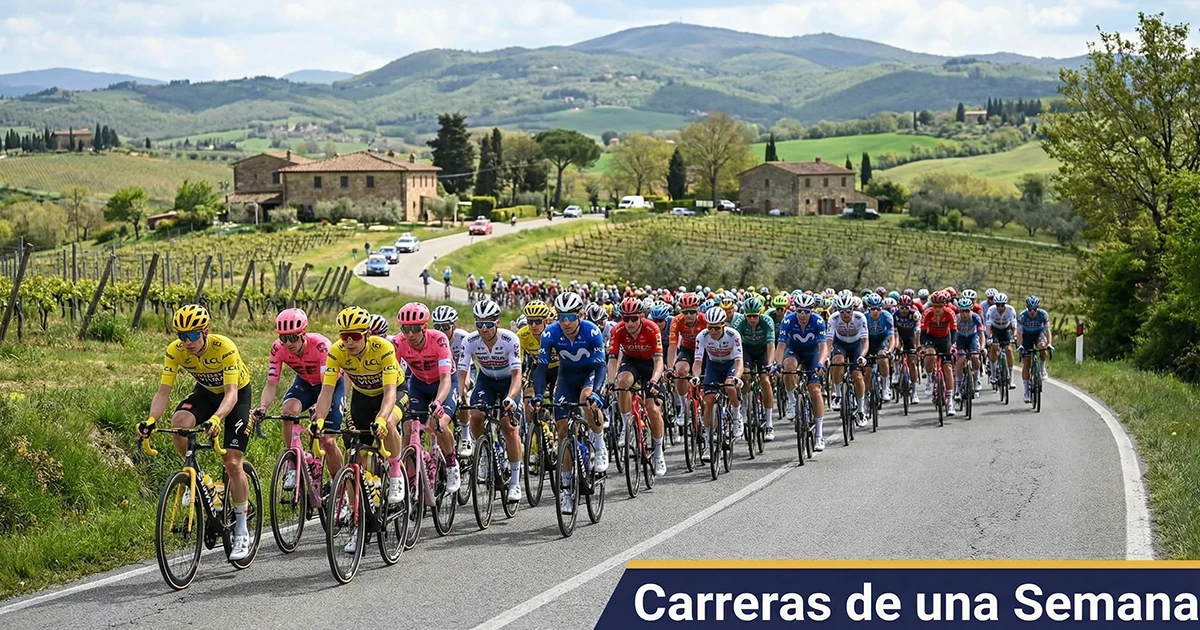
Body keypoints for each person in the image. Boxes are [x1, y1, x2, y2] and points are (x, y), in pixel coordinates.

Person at [138, 305, 255, 560]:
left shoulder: (224, 347)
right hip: (205, 394)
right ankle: (204, 483)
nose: (186, 342)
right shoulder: (175, 350)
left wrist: (216, 419)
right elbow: (163, 392)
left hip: (235, 397)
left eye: (192, 335)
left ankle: (243, 531)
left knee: (233, 462)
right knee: (179, 424)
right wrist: (150, 420)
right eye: (182, 335)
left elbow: (232, 393)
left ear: (206, 332)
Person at [311, 307, 407, 554]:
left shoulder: (383, 348)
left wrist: (383, 419)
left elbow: (389, 392)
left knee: (391, 425)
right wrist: (319, 420)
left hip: (393, 394)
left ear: (366, 334)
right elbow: (327, 392)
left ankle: (395, 473)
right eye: (345, 336)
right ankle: (360, 523)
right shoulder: (337, 352)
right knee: (357, 455)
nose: (349, 341)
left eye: (354, 335)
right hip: (362, 399)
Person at [530, 291, 607, 515]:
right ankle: (565, 489)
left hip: (590, 374)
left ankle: (600, 444)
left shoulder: (592, 331)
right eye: (561, 316)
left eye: (570, 317)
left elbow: (601, 366)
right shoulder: (550, 333)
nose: (565, 322)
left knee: (586, 400)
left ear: (580, 315)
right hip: (566, 379)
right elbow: (542, 368)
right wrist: (537, 394)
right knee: (562, 432)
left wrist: (598, 393)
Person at [253, 308, 346, 490]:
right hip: (305, 383)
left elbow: (325, 387)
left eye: (293, 337)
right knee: (288, 411)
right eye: (283, 338)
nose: (288, 343)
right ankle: (294, 462)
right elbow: (271, 384)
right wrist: (262, 407)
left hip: (331, 386)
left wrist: (319, 411)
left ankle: (339, 485)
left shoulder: (321, 346)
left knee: (327, 441)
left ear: (303, 334)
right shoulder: (277, 349)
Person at [458, 299, 524, 503]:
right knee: (475, 415)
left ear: (497, 322)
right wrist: (460, 396)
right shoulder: (469, 341)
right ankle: (486, 453)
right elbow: (462, 371)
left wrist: (511, 398)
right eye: (479, 324)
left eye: (488, 324)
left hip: (508, 383)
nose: (484, 329)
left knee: (509, 427)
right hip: (486, 381)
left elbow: (516, 374)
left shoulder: (509, 339)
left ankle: (514, 482)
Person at [392, 302, 462, 494]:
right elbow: (393, 375)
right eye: (405, 329)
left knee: (438, 424)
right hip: (419, 384)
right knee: (407, 429)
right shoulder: (398, 342)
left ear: (424, 327)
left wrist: (438, 402)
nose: (410, 334)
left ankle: (451, 463)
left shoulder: (438, 339)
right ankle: (412, 481)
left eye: (415, 329)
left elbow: (446, 378)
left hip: (444, 383)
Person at [604, 297, 667, 477]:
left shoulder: (651, 328)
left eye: (634, 318)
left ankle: (658, 451)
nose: (630, 323)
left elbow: (658, 361)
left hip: (650, 365)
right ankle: (626, 425)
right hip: (631, 362)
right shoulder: (618, 330)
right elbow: (613, 359)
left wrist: (655, 380)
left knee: (653, 409)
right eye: (626, 318)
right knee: (622, 382)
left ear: (641, 316)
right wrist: (610, 381)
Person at [775, 293, 829, 451]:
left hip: (813, 353)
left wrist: (821, 362)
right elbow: (781, 346)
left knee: (815, 390)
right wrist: (778, 364)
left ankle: (819, 434)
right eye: (799, 311)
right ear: (795, 310)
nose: (803, 315)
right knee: (789, 367)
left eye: (806, 311)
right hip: (794, 351)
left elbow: (823, 347)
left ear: (812, 310)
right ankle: (792, 400)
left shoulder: (818, 321)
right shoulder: (788, 321)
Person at [691, 306, 744, 463]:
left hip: (730, 364)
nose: (713, 331)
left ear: (723, 325)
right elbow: (698, 361)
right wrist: (695, 376)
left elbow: (739, 361)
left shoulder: (733, 335)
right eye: (710, 327)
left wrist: (737, 377)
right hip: (713, 365)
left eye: (716, 328)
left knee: (729, 385)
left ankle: (736, 415)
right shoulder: (702, 336)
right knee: (708, 401)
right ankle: (708, 443)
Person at [731, 296, 777, 441]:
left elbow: (771, 346)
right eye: (749, 316)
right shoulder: (739, 322)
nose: (751, 319)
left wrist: (769, 365)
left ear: (760, 313)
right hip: (747, 351)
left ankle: (769, 423)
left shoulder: (767, 321)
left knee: (765, 380)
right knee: (745, 376)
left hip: (763, 350)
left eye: (755, 316)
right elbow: (735, 346)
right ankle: (745, 404)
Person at [1017, 295, 1053, 404]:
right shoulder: (1022, 316)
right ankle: (1026, 392)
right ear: (1027, 308)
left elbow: (1047, 331)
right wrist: (1020, 345)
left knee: (1042, 346)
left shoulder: (1043, 314)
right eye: (1030, 309)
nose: (1032, 311)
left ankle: (1042, 369)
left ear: (1038, 308)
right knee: (1026, 362)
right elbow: (1019, 333)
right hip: (1026, 336)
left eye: (1034, 309)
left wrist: (1049, 344)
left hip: (1039, 334)